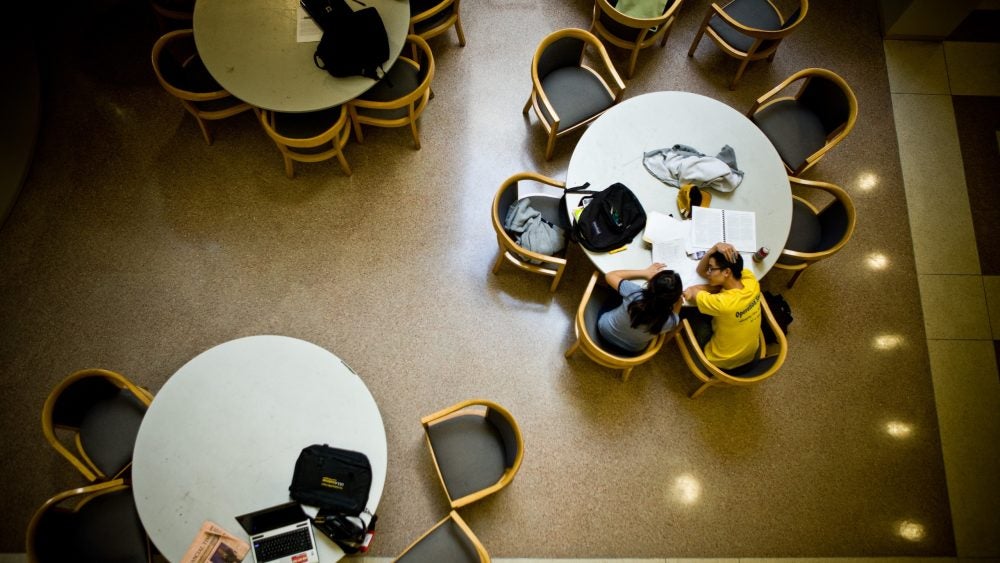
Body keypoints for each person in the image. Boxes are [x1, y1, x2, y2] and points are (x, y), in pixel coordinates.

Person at [681, 242, 762, 370]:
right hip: (749, 354)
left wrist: (709, 288)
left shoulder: (721, 303)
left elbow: (691, 291)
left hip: (720, 360)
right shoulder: (751, 281)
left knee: (689, 313)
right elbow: (702, 272)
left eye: (711, 269)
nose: (708, 272)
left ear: (727, 272)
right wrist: (713, 250)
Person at [597, 262, 683, 355]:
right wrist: (679, 303)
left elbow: (610, 275)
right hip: (630, 351)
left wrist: (644, 272)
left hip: (604, 332)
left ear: (651, 284)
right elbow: (675, 314)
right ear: (674, 299)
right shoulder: (672, 321)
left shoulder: (634, 292)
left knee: (614, 294)